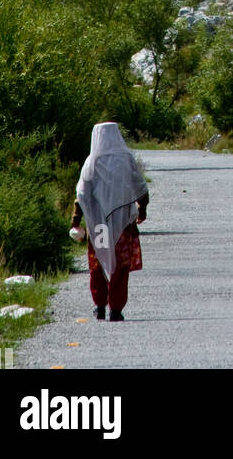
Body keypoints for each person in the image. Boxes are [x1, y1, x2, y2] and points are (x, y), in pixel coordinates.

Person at [70, 122, 149, 322]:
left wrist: (76, 221)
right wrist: (143, 208)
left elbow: (82, 195)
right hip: (123, 224)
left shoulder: (91, 162)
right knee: (121, 267)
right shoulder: (126, 160)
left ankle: (100, 306)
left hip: (99, 226)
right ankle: (116, 309)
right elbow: (140, 186)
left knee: (98, 265)